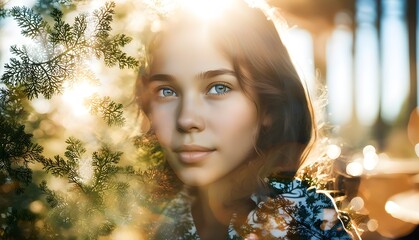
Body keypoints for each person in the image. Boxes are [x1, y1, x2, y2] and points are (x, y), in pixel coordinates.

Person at [136, 0, 354, 239]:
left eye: (219, 87)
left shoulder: (309, 223)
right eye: (167, 91)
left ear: (269, 107)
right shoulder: (129, 218)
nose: (186, 119)